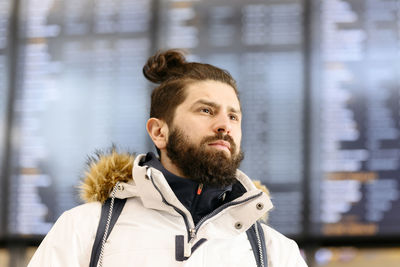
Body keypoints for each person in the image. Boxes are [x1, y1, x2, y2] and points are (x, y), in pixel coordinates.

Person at [28, 49, 308, 267]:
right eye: (206, 111)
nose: (225, 125)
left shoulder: (274, 251)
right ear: (159, 132)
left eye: (233, 115)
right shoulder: (84, 228)